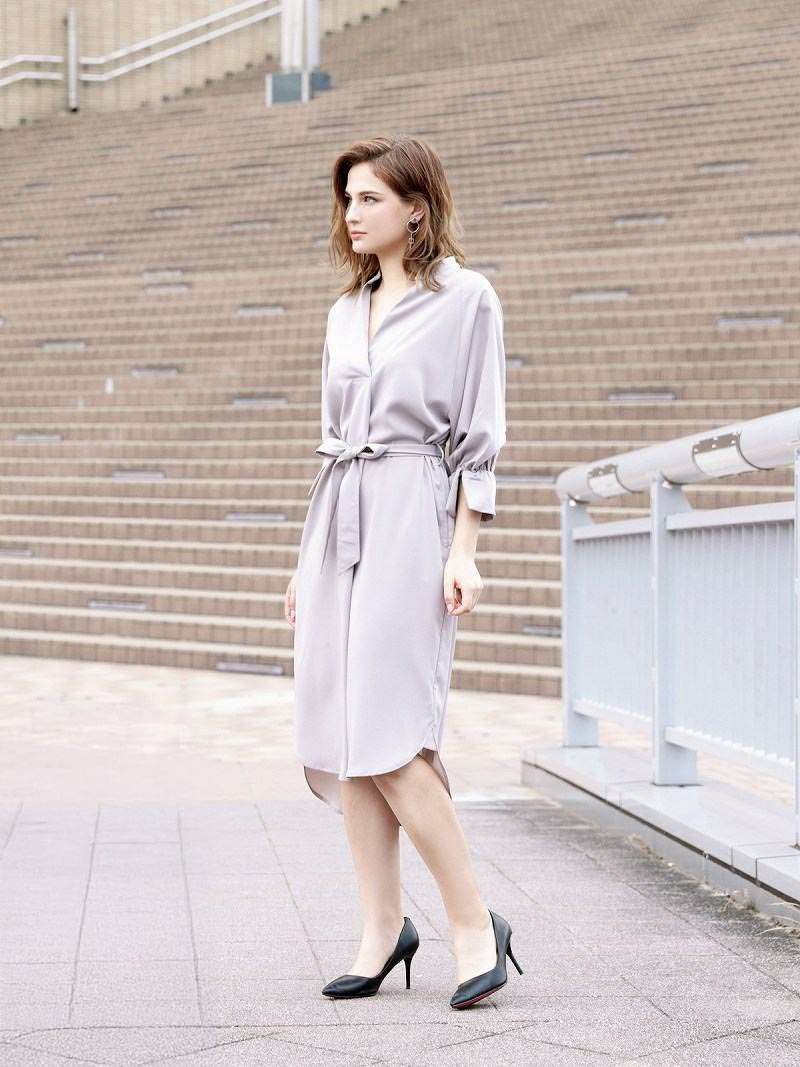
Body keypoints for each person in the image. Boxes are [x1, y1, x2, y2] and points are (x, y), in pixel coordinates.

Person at [284, 136, 522, 1008]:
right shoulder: (345, 312)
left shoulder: (467, 299)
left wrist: (464, 549)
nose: (352, 213)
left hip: (412, 514)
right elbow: (330, 443)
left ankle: (474, 923)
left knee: (392, 733)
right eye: (347, 198)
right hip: (338, 520)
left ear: (415, 208)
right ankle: (383, 927)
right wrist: (303, 563)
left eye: (370, 198)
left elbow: (478, 439)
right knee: (346, 735)